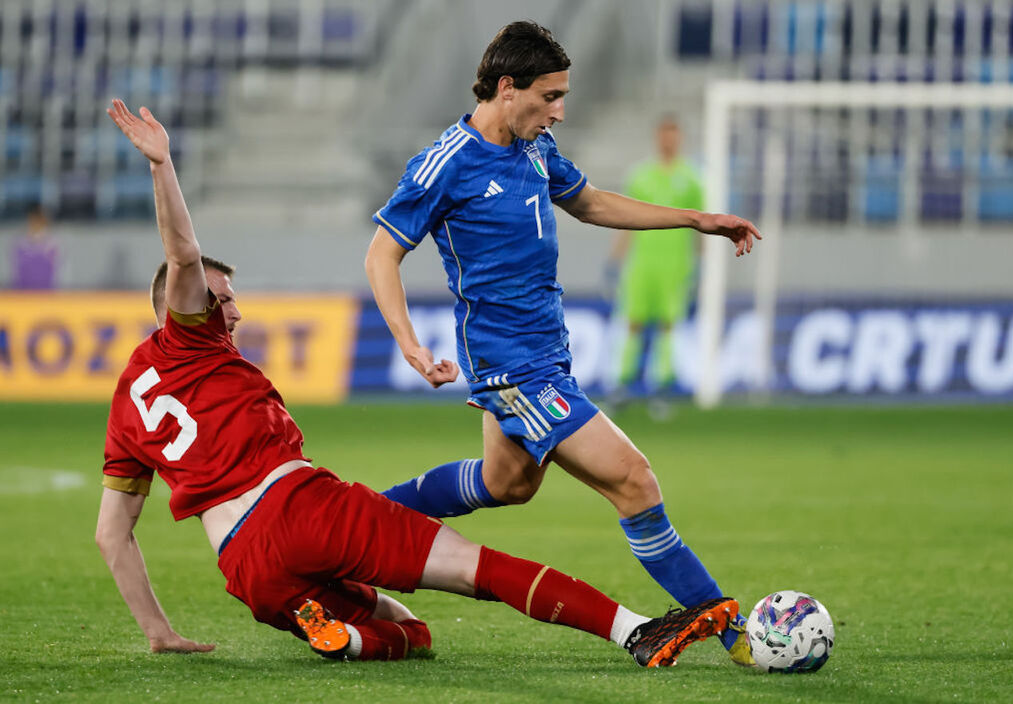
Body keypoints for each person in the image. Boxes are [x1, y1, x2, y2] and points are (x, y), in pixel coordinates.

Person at [95, 98, 740, 667]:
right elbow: (186, 254)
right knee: (589, 504)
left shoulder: (128, 403)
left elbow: (111, 533)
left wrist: (159, 632)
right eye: (221, 300)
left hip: (247, 566)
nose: (232, 310)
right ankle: (667, 630)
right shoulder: (191, 334)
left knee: (427, 604)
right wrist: (161, 164)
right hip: (461, 406)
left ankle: (349, 632)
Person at [365, 21, 761, 666]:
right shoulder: (445, 163)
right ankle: (736, 633)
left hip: (548, 356)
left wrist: (696, 219)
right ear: (505, 87)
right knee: (634, 480)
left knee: (507, 483)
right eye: (549, 97)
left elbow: (592, 203)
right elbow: (382, 254)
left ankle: (353, 523)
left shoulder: (536, 148)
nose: (559, 111)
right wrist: (409, 343)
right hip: (511, 367)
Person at [607, 116, 703, 415]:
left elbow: (702, 224)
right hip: (641, 264)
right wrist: (616, 258)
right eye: (664, 135)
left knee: (668, 327)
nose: (668, 141)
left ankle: (661, 390)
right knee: (633, 323)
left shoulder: (693, 178)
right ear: (657, 137)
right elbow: (625, 220)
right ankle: (621, 386)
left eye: (673, 135)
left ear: (680, 138)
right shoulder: (641, 175)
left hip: (675, 265)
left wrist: (701, 265)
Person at [10, 204, 58, 289]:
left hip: (46, 293)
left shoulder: (53, 243)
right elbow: (15, 271)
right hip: (23, 293)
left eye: (40, 219)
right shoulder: (19, 242)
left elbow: (58, 273)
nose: (36, 223)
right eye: (33, 219)